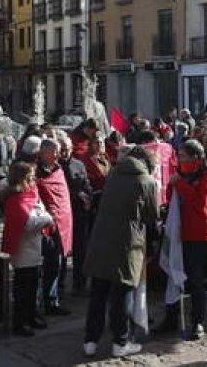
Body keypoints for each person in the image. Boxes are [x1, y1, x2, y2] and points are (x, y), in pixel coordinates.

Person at [82, 144, 160, 358]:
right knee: (122, 292)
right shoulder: (147, 181)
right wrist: (153, 244)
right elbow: (151, 217)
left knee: (98, 292)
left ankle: (90, 340)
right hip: (128, 241)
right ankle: (120, 341)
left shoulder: (114, 174)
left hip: (101, 238)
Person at [160, 140, 207, 340]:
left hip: (197, 235)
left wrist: (180, 184)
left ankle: (197, 321)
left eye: (183, 156)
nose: (180, 160)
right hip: (178, 233)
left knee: (195, 279)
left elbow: (201, 203)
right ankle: (171, 317)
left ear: (196, 158)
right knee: (172, 275)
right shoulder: (180, 175)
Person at [1, 161, 53, 337]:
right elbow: (30, 223)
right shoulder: (15, 199)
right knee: (23, 288)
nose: (33, 182)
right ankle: (20, 321)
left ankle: (31, 316)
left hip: (33, 248)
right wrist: (46, 218)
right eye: (30, 178)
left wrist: (44, 216)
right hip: (23, 249)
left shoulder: (29, 196)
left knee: (32, 286)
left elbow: (41, 211)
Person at [34, 136, 73, 317]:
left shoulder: (59, 170)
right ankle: (46, 301)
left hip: (63, 225)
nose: (58, 154)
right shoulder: (35, 172)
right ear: (43, 153)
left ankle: (55, 298)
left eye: (58, 151)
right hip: (45, 226)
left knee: (60, 264)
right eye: (54, 151)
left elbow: (62, 197)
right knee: (48, 265)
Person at [59, 133, 93, 295]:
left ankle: (80, 284)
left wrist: (87, 195)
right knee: (62, 251)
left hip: (80, 213)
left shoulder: (79, 165)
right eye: (62, 150)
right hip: (63, 213)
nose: (64, 152)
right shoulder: (55, 166)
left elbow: (86, 184)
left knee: (81, 249)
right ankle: (60, 286)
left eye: (67, 149)